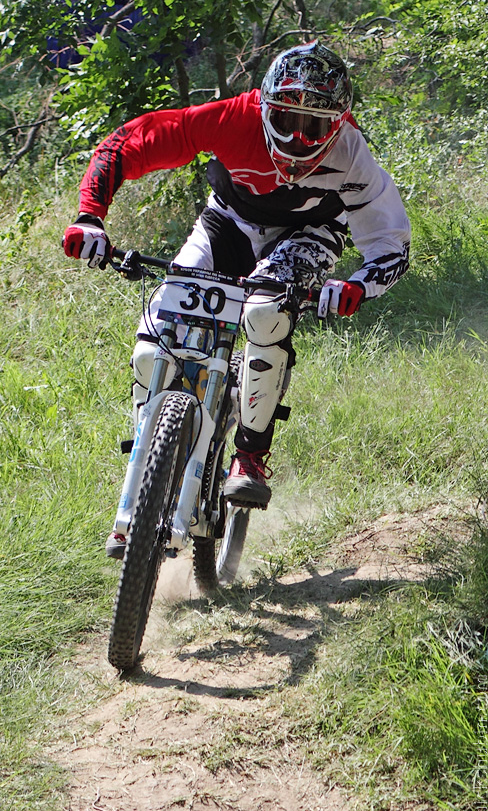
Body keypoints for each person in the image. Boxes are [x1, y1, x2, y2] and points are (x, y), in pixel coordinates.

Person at [62, 40, 411, 559]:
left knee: (265, 312)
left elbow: (390, 242)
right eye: (288, 120)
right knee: (159, 322)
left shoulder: (352, 154)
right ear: (264, 107)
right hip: (229, 220)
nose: (299, 137)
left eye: (314, 126)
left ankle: (249, 455)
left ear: (339, 124)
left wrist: (355, 288)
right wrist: (91, 215)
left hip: (309, 234)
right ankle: (149, 447)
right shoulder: (231, 118)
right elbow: (130, 141)